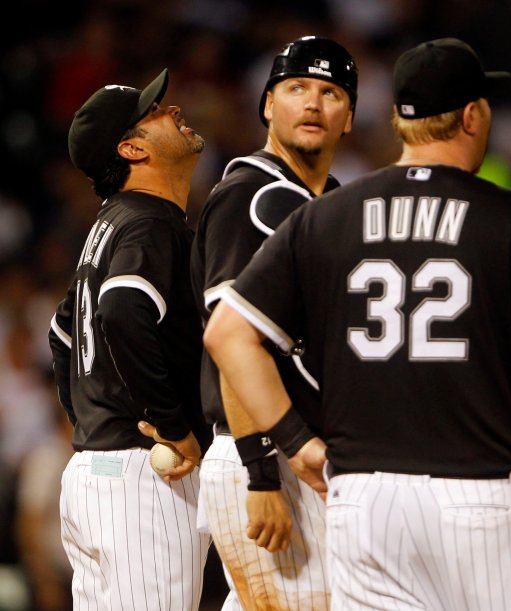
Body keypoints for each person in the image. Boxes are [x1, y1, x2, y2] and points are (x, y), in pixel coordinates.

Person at [203, 38, 511, 611]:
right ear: (472, 115)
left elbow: (226, 335)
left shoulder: (325, 216)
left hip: (365, 499)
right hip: (482, 490)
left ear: (397, 118)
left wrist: (296, 444)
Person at [190, 35, 357, 610]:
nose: (313, 103)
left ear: (350, 118)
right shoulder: (252, 196)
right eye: (296, 88)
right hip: (264, 455)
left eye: (330, 92)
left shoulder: (325, 203)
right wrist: (259, 474)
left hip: (296, 455)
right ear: (267, 105)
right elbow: (233, 341)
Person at [48, 69, 212, 611]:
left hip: (95, 471)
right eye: (154, 111)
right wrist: (171, 423)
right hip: (144, 479)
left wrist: (95, 420)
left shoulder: (109, 226)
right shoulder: (150, 221)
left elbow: (61, 331)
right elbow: (122, 310)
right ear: (133, 147)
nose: (172, 110)